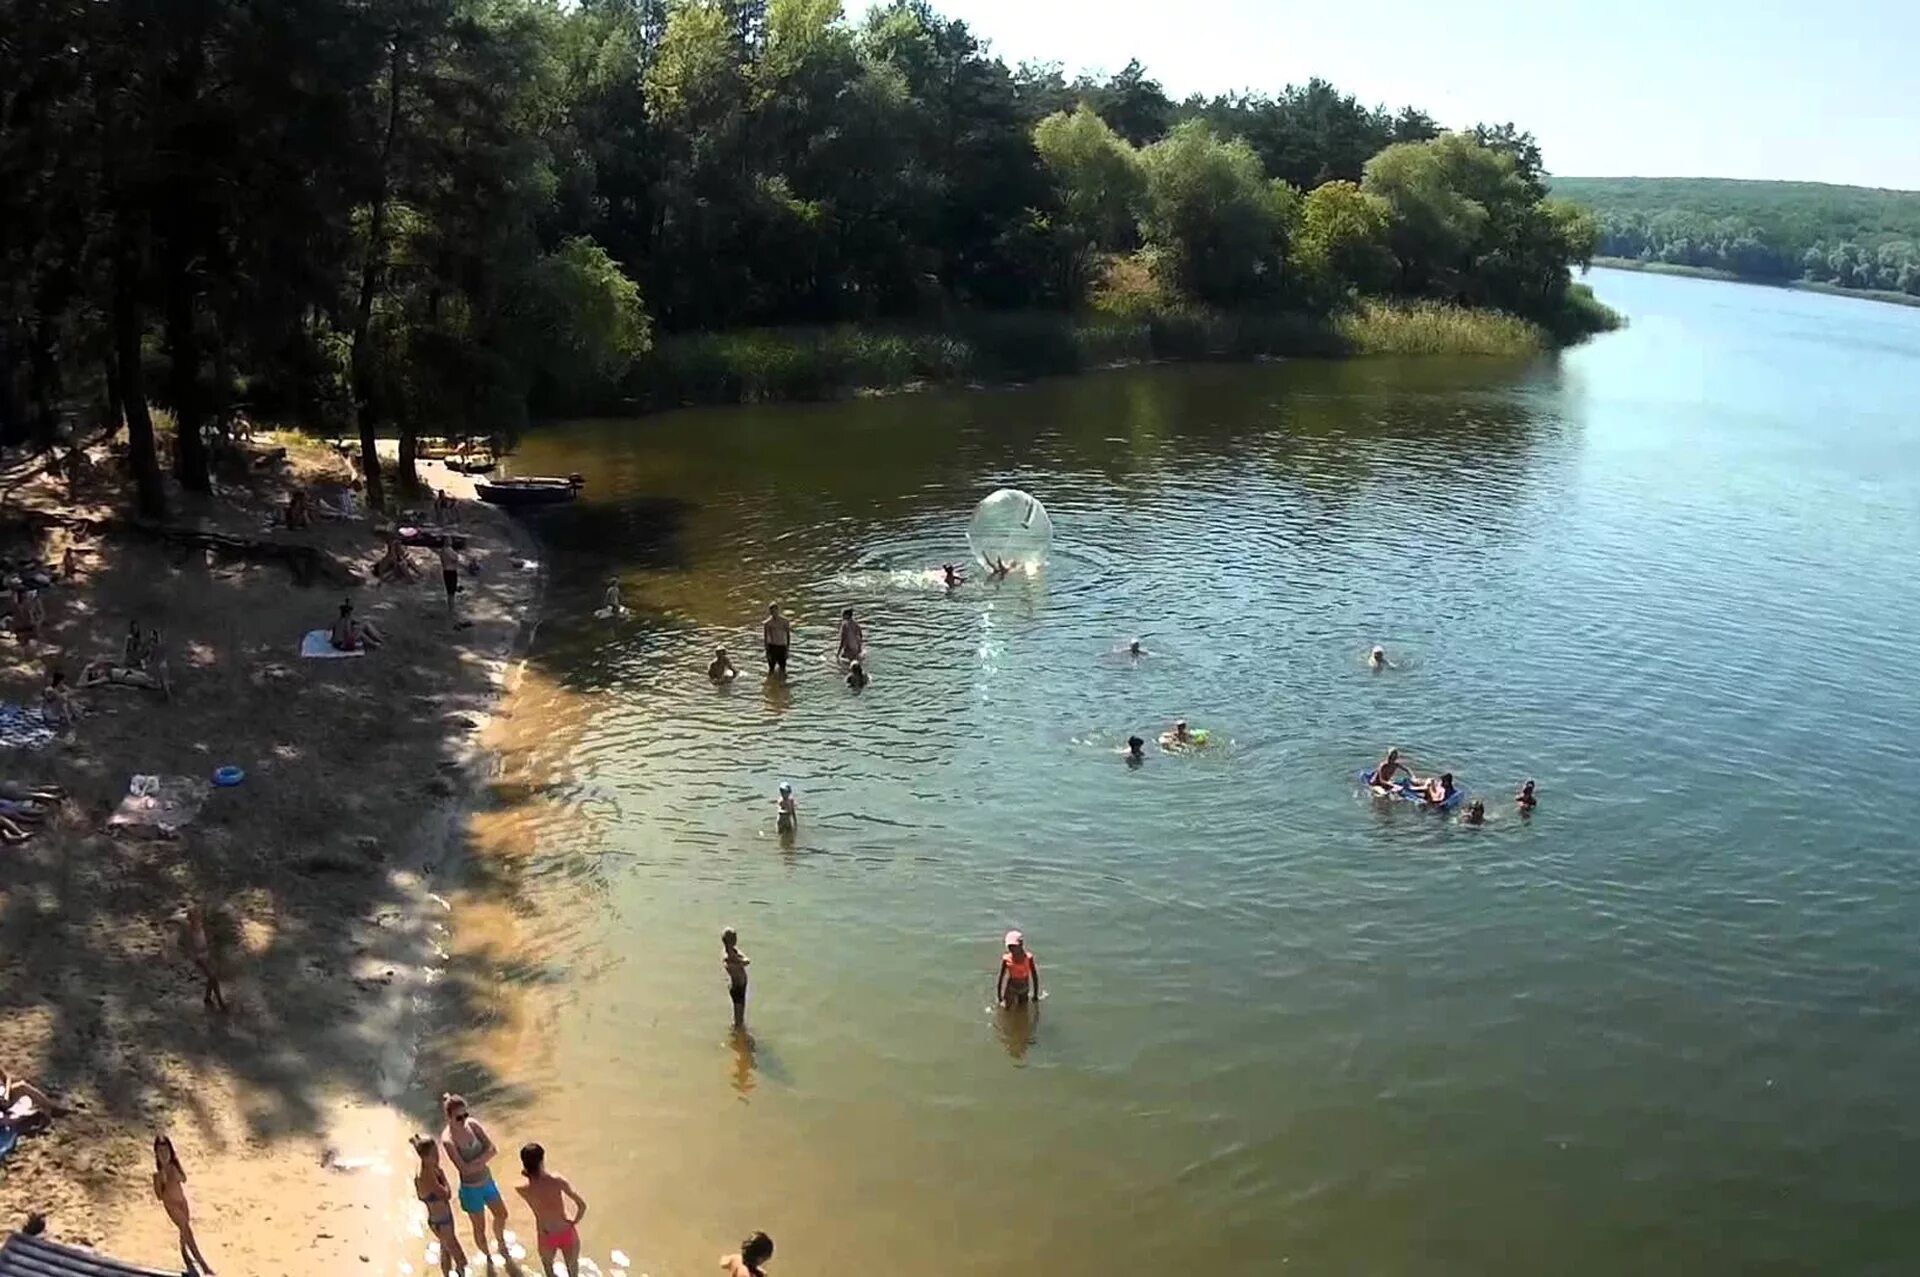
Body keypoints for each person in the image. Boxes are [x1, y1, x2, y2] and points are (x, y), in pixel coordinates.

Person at [441, 1093, 509, 1264]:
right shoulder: (448, 1140)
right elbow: (463, 1168)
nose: (463, 1120)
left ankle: (501, 1243)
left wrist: (476, 1162)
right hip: (471, 1190)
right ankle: (488, 1258)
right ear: (449, 1117)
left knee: (502, 1214)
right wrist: (483, 1158)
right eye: (458, 1117)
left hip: (487, 1182)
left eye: (465, 1115)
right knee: (480, 1228)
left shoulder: (473, 1125)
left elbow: (493, 1148)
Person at [514, 1143, 586, 1277]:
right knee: (573, 1271)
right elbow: (582, 1205)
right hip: (566, 1231)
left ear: (524, 1163)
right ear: (542, 1160)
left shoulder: (522, 1189)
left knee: (548, 1270)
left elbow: (527, 1181)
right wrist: (574, 1221)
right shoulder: (557, 1181)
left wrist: (527, 1173)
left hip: (545, 1235)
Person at [152, 1135, 214, 1275]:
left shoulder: (175, 1165)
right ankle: (202, 1263)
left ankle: (184, 1251)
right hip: (171, 1205)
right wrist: (163, 1181)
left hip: (182, 1201)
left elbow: (184, 1179)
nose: (164, 1155)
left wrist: (176, 1175)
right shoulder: (157, 1175)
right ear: (156, 1154)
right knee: (187, 1229)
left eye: (166, 1151)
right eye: (161, 1152)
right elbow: (159, 1196)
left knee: (184, 1230)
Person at [412, 1134, 469, 1277]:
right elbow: (446, 1194)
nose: (438, 1155)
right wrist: (443, 1177)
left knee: (446, 1251)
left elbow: (421, 1196)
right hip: (442, 1222)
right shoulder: (427, 1175)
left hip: (439, 1220)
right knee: (461, 1259)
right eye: (434, 1153)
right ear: (426, 1156)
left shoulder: (425, 1169)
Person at [182, 905, 228, 1013]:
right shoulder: (189, 931)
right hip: (199, 957)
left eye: (197, 916)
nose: (197, 918)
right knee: (213, 977)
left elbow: (209, 939)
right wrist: (196, 956)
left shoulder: (202, 926)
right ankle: (220, 1002)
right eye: (194, 916)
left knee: (212, 976)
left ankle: (207, 997)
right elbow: (189, 947)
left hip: (207, 954)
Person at [997, 930, 1040, 1008]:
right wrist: (999, 997)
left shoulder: (1029, 958)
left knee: (1023, 1010)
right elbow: (1001, 977)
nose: (1011, 949)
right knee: (1007, 1010)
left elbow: (1034, 976)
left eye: (1013, 946)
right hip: (1011, 988)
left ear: (1021, 945)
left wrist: (1035, 995)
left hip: (1024, 989)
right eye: (1009, 947)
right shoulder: (1006, 959)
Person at [722, 928, 751, 1028]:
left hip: (740, 986)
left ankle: (737, 1034)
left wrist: (741, 959)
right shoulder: (729, 956)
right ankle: (735, 1035)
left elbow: (744, 960)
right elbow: (746, 962)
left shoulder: (733, 951)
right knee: (738, 1019)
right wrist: (741, 960)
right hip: (738, 988)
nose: (736, 939)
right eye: (734, 938)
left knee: (740, 1016)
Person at [762, 604, 791, 675]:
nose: (774, 613)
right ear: (770, 612)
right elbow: (765, 637)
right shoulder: (767, 623)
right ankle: (772, 681)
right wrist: (767, 651)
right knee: (771, 669)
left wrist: (787, 649)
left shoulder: (785, 621)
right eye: (772, 612)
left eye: (775, 611)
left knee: (783, 668)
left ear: (778, 610)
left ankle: (780, 684)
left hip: (782, 646)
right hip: (772, 647)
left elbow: (788, 635)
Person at [438, 542, 460, 613]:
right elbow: (455, 558)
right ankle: (451, 608)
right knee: (451, 592)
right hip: (451, 571)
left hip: (446, 571)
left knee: (450, 592)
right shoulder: (448, 550)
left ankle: (451, 607)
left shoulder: (442, 551)